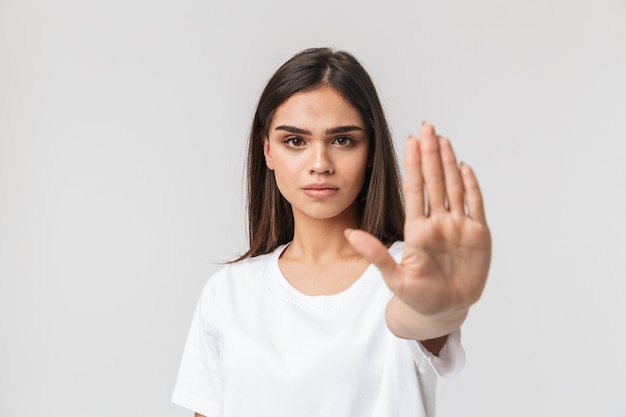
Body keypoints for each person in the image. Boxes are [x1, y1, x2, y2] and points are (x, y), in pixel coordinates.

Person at [172, 47, 491, 417]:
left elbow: (418, 319)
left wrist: (437, 308)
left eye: (342, 140)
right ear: (267, 151)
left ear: (371, 150)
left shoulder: (408, 272)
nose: (320, 164)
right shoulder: (228, 292)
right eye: (295, 141)